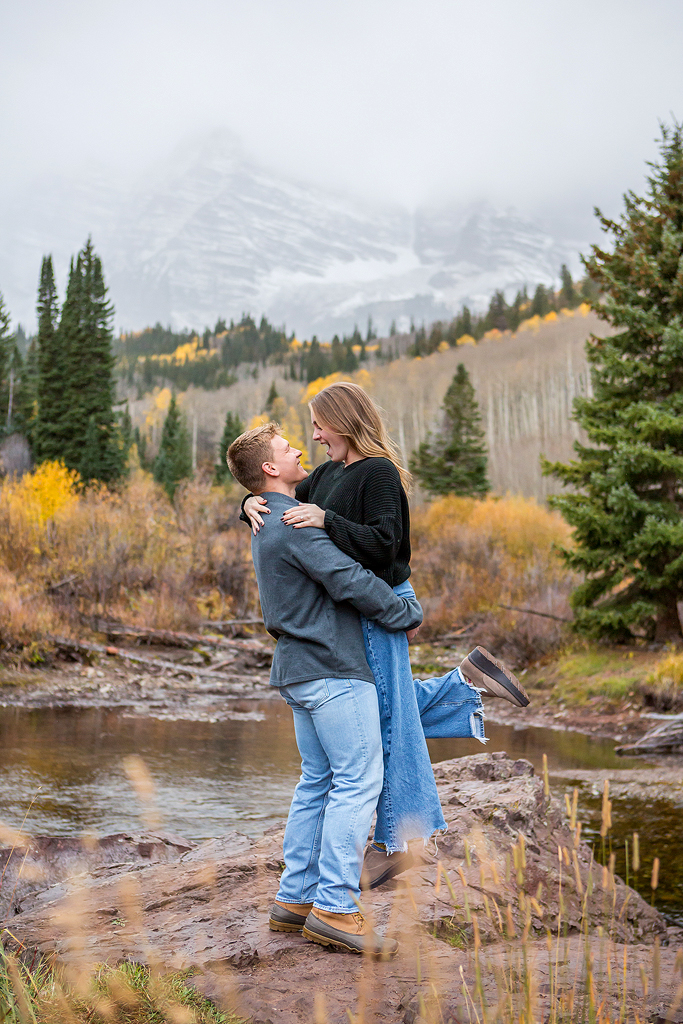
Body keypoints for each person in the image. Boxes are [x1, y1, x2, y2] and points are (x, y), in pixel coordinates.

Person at [242, 381, 529, 885]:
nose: (313, 436)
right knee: (381, 708)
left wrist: (327, 520)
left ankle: (395, 840)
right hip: (366, 605)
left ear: (343, 421)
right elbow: (278, 501)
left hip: (383, 599)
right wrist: (246, 505)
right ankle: (466, 682)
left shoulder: (377, 473)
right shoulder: (328, 473)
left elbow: (383, 545)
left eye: (318, 424)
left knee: (386, 712)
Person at [227, 422, 424, 957]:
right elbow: (350, 580)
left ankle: (294, 901)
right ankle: (335, 907)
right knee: (356, 783)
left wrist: (246, 501)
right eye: (288, 448)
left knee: (316, 781)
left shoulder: (266, 521)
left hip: (297, 671)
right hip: (333, 669)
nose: (299, 448)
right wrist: (405, 610)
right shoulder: (293, 526)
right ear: (270, 469)